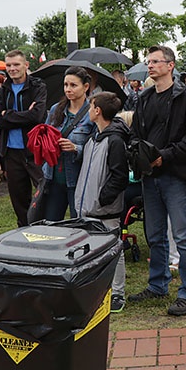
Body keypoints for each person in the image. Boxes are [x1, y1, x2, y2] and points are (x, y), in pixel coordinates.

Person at [127, 46, 186, 317]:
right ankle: (158, 284)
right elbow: (135, 133)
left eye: (155, 61)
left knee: (183, 235)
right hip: (150, 176)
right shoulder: (145, 97)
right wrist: (141, 155)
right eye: (148, 61)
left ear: (170, 65)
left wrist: (164, 156)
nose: (150, 66)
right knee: (155, 234)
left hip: (175, 175)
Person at [74, 92, 130, 313]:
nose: (88, 111)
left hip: (104, 210)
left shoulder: (115, 141)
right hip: (87, 206)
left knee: (114, 251)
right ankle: (97, 289)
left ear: (97, 111)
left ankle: (117, 292)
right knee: (90, 250)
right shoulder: (93, 139)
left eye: (90, 107)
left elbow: (119, 176)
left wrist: (102, 198)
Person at [0, 49, 47, 227]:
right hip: (11, 151)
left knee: (43, 191)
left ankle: (45, 226)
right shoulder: (3, 90)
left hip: (34, 149)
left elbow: (37, 117)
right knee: (18, 197)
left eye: (16, 64)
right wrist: (23, 115)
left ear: (26, 65)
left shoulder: (37, 86)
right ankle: (24, 230)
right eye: (8, 65)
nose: (12, 68)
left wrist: (7, 115)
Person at [41, 66, 93, 221]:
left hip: (78, 178)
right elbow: (45, 136)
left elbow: (98, 149)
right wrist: (49, 143)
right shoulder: (56, 109)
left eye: (73, 85)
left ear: (85, 87)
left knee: (78, 224)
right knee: (51, 224)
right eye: (66, 85)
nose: (68, 89)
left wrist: (75, 148)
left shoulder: (93, 112)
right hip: (53, 176)